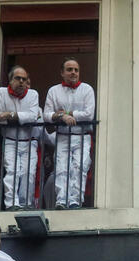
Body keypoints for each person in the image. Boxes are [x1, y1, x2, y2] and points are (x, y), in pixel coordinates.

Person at [43, 58, 95, 209]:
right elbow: (47, 114)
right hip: (63, 136)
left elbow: (89, 115)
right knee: (61, 168)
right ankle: (61, 200)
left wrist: (67, 112)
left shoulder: (87, 89)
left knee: (80, 167)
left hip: (81, 136)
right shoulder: (54, 91)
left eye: (76, 70)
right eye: (69, 69)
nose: (73, 72)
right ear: (62, 73)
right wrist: (61, 117)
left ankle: (75, 201)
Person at [0, 66, 40, 211]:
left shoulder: (33, 94)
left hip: (30, 141)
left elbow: (33, 116)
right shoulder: (0, 93)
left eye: (24, 79)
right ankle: (12, 204)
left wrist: (10, 115)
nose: (21, 82)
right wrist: (21, 118)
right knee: (12, 172)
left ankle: (25, 204)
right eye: (17, 78)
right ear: (10, 79)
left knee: (28, 173)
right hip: (10, 141)